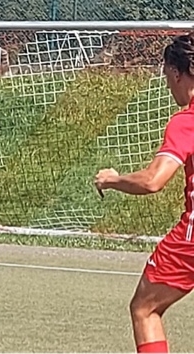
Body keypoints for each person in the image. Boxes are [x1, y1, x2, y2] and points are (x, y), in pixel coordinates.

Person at [94, 33, 194, 354]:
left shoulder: (186, 121)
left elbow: (153, 180)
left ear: (177, 73)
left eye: (167, 76)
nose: (167, 84)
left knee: (144, 308)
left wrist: (113, 179)